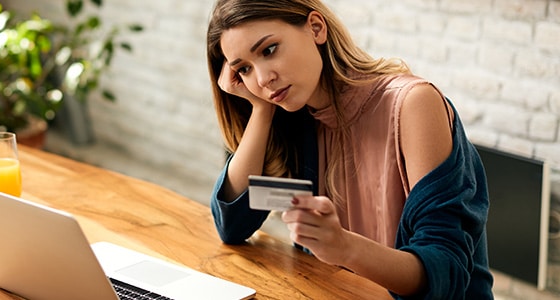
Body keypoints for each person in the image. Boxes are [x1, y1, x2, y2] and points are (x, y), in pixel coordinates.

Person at [205, 0, 493, 298]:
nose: (263, 79)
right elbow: (232, 227)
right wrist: (261, 108)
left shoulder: (413, 105)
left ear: (316, 28)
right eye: (245, 69)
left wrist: (344, 247)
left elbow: (447, 272)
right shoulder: (295, 115)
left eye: (269, 50)